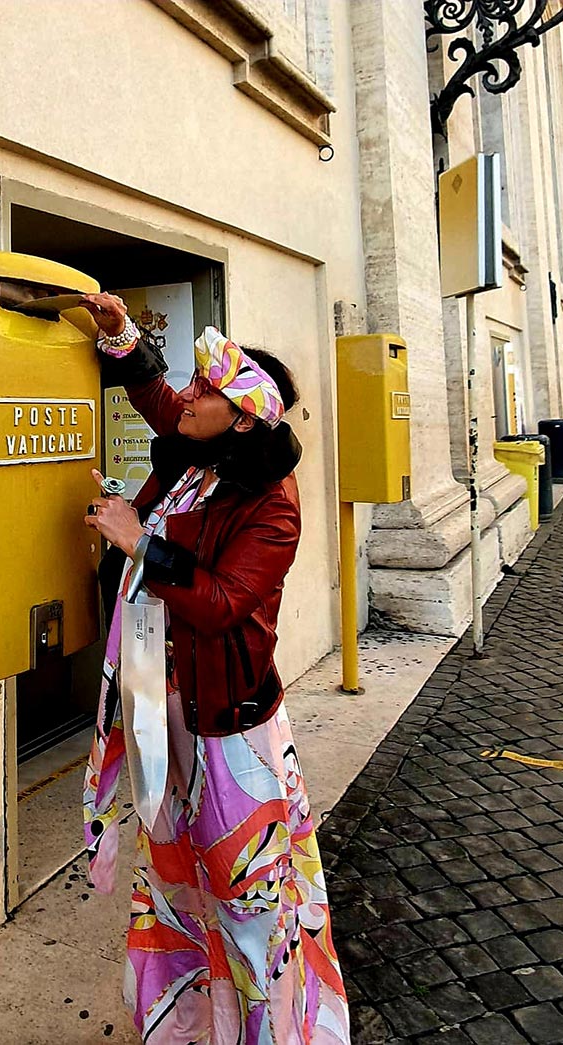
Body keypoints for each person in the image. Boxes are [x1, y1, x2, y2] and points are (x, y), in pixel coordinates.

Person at [79, 291, 350, 1044]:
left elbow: (224, 602)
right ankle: (191, 1028)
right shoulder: (204, 448)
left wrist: (141, 543)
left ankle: (275, 1030)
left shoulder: (272, 503)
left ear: (240, 417)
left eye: (208, 389)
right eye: (197, 383)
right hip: (161, 709)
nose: (188, 397)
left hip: (229, 731)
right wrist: (121, 333)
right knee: (175, 887)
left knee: (247, 900)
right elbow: (158, 397)